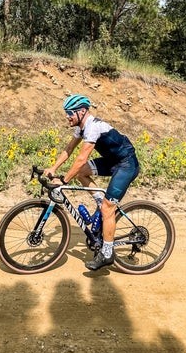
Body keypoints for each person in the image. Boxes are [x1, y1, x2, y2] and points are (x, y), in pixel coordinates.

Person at [44, 94, 140, 271]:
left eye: (69, 113)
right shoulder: (81, 128)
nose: (67, 116)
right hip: (113, 162)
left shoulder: (93, 127)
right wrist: (53, 167)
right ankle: (100, 203)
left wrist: (63, 181)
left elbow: (81, 158)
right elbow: (69, 149)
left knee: (107, 208)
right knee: (82, 174)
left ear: (81, 112)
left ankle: (107, 253)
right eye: (66, 113)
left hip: (127, 164)